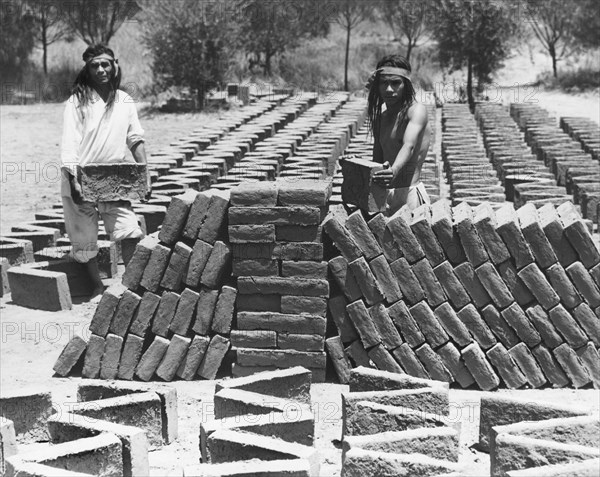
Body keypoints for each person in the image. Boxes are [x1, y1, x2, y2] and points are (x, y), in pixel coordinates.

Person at [60, 44, 150, 299]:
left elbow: (136, 139)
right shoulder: (77, 102)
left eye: (105, 64)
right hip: (80, 177)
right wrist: (74, 180)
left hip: (114, 178)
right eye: (94, 65)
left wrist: (145, 174)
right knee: (85, 239)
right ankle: (97, 286)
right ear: (87, 70)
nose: (101, 69)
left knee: (129, 229)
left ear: (115, 65)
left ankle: (131, 284)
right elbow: (69, 144)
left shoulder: (124, 100)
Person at [366, 54, 432, 217]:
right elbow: (377, 159)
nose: (389, 89)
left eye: (396, 83)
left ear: (406, 84)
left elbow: (408, 146)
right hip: (383, 195)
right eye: (383, 83)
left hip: (409, 196)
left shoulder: (416, 111)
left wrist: (393, 170)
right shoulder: (381, 118)